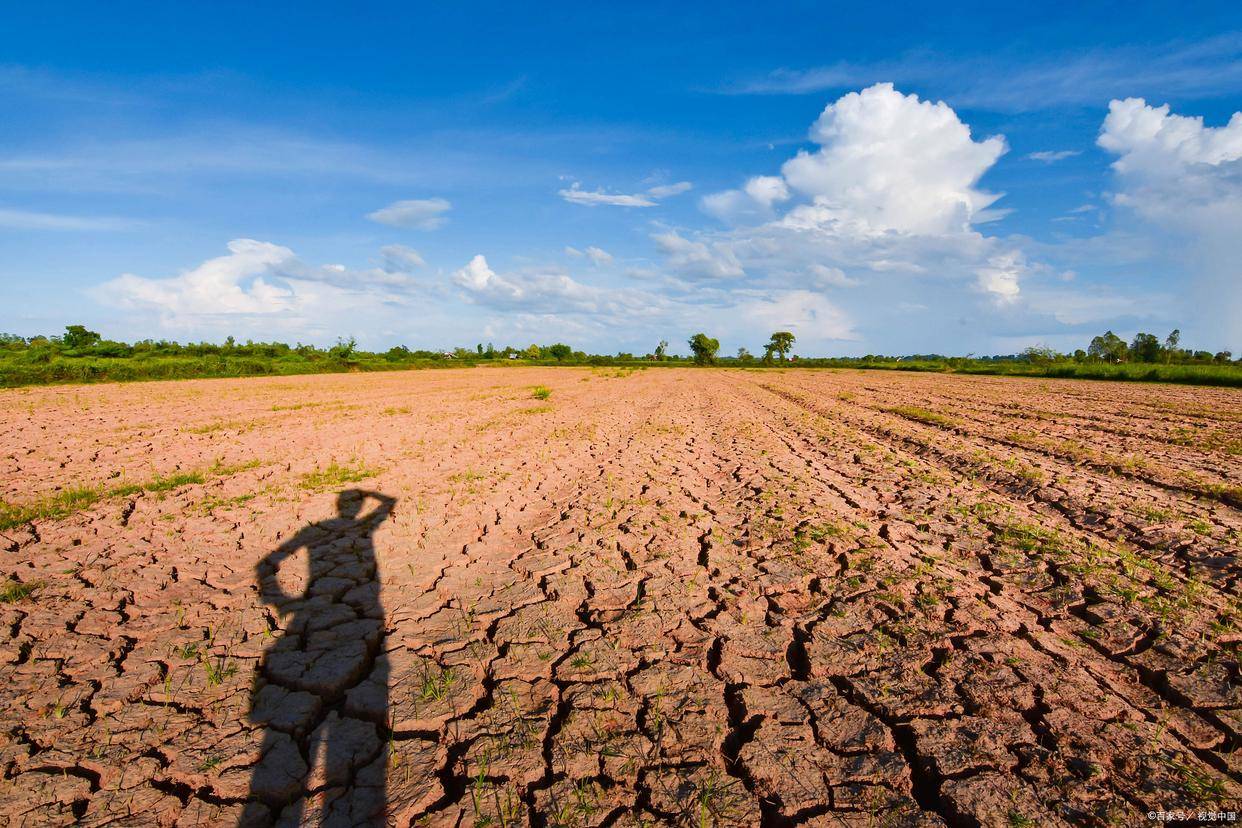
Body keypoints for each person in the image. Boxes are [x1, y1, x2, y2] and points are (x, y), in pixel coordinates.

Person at [243, 489, 395, 826]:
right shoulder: (356, 528)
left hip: (312, 617)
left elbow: (268, 564)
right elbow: (388, 503)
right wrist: (281, 601)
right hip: (322, 620)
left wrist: (279, 599)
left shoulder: (319, 530)